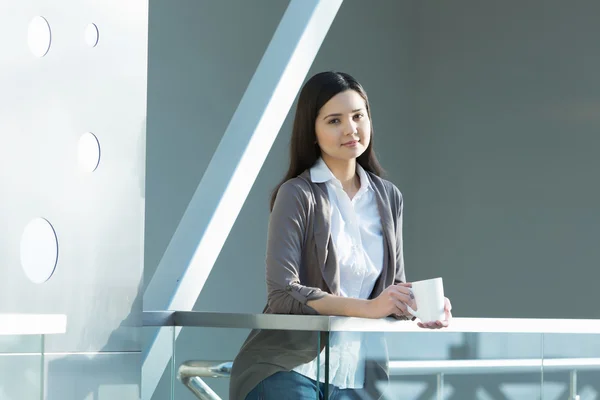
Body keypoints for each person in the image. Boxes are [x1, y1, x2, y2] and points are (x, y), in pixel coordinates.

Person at [229, 71, 452, 400]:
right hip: (287, 369)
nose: (351, 129)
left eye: (358, 116)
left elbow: (391, 292)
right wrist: (370, 307)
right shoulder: (298, 194)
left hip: (356, 376)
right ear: (313, 132)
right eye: (334, 120)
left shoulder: (389, 197)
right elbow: (282, 294)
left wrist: (419, 306)